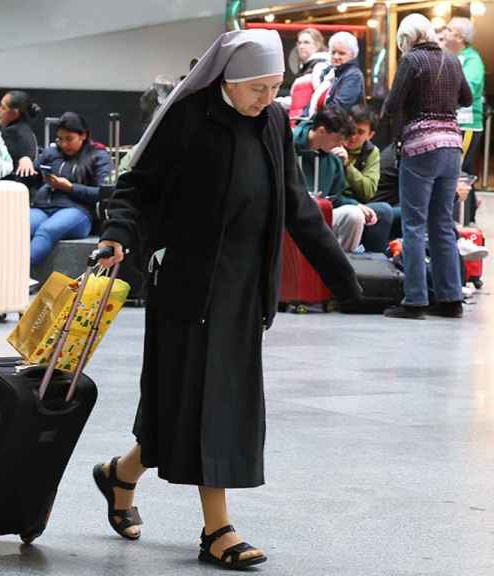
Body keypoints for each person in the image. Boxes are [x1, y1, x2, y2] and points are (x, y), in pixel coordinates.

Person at [93, 29, 360, 570]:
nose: (268, 99)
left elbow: (295, 204)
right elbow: (137, 185)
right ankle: (218, 530)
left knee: (193, 403)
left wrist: (343, 276)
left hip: (242, 287)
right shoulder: (189, 117)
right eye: (258, 89)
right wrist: (118, 232)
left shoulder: (274, 122)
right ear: (230, 83)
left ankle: (120, 474)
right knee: (208, 402)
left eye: (276, 87)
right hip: (190, 283)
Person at [381, 13, 472, 320]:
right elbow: (467, 98)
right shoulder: (452, 60)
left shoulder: (412, 61)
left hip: (420, 148)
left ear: (407, 40)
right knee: (443, 225)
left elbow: (392, 105)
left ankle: (415, 299)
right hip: (451, 147)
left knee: (414, 225)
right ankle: (451, 299)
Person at [30, 112, 113, 266]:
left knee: (47, 230)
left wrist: (70, 187)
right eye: (60, 139)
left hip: (77, 211)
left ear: (83, 135)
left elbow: (104, 193)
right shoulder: (51, 153)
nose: (64, 144)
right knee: (19, 227)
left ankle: (19, 273)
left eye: (69, 139)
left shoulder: (98, 155)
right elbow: (31, 176)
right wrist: (27, 163)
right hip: (43, 207)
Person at [293, 106, 367, 252]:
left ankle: (339, 270)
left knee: (354, 216)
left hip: (319, 215)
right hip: (291, 216)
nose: (341, 145)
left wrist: (356, 205)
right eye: (338, 139)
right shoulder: (286, 146)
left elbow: (336, 198)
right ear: (321, 131)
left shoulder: (334, 159)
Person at [331, 105, 396, 252]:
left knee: (386, 211)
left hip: (359, 204)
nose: (353, 136)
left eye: (360, 132)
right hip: (335, 201)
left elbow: (368, 191)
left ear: (370, 135)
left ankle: (375, 265)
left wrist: (347, 166)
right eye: (351, 129)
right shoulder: (332, 141)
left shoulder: (371, 152)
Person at [444, 17, 486, 175]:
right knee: (460, 175)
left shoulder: (472, 60)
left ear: (460, 37)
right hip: (452, 124)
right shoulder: (449, 56)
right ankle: (471, 201)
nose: (444, 33)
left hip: (465, 125)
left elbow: (465, 91)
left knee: (457, 175)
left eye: (449, 30)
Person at [0, 90, 42, 182]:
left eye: (3, 107)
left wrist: (25, 158)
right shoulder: (26, 130)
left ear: (14, 113)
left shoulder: (12, 132)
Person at [324, 31, 365, 111]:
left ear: (353, 54)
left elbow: (339, 107)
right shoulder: (328, 72)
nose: (336, 57)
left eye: (341, 53)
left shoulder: (354, 75)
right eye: (333, 52)